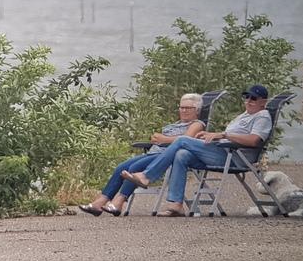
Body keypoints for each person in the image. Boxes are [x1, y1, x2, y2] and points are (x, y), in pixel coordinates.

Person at [121, 85, 272, 216]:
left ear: (263, 102)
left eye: (253, 98)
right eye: (246, 97)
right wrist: (212, 137)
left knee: (182, 140)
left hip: (234, 157)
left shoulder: (262, 117)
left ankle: (147, 176)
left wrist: (223, 134)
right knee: (181, 155)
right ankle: (176, 204)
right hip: (223, 150)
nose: (249, 101)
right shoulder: (245, 115)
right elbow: (230, 136)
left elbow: (254, 140)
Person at [78, 93, 205, 217]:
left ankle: (119, 202)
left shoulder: (197, 124)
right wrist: (156, 139)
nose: (184, 110)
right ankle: (99, 202)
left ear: (197, 110)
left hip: (165, 157)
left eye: (188, 108)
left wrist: (164, 139)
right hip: (154, 153)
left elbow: (187, 139)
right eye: (182, 107)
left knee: (134, 168)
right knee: (121, 167)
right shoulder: (177, 124)